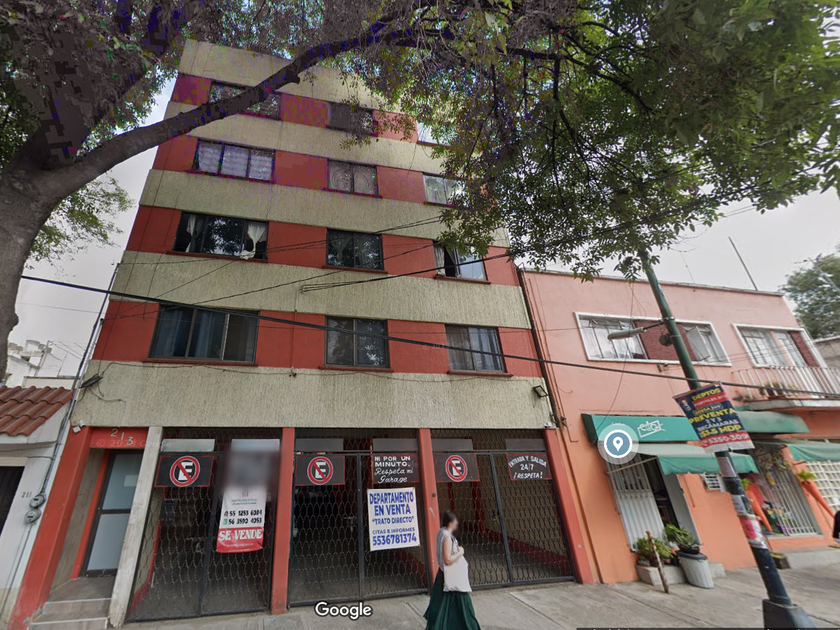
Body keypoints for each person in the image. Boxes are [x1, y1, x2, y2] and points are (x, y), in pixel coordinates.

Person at [424, 511, 481, 630]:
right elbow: (448, 559)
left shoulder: (441, 532)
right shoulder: (447, 538)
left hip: (443, 575)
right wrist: (460, 552)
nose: (457, 523)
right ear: (450, 523)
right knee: (463, 606)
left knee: (440, 604)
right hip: (452, 576)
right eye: (455, 521)